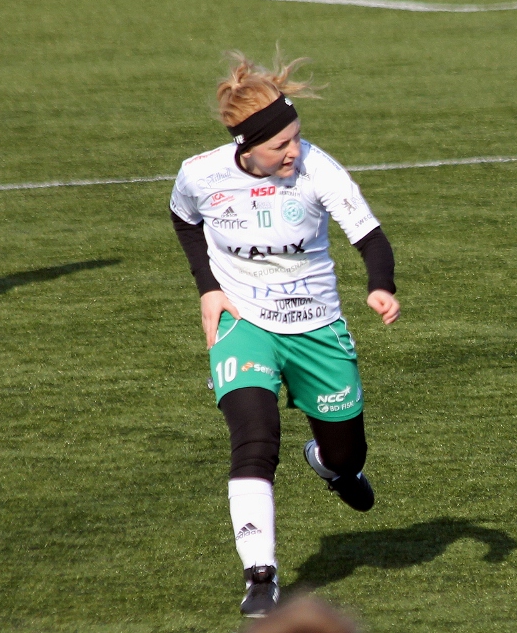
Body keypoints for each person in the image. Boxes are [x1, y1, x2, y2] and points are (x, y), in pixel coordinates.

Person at [170, 52, 400, 616]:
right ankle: (260, 576)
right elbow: (184, 218)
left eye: (296, 137)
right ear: (246, 147)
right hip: (242, 323)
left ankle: (330, 463)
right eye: (281, 145)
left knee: (348, 455)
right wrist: (208, 287)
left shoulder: (319, 169)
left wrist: (380, 286)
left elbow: (370, 236)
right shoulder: (200, 173)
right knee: (254, 437)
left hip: (317, 327)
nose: (294, 151)